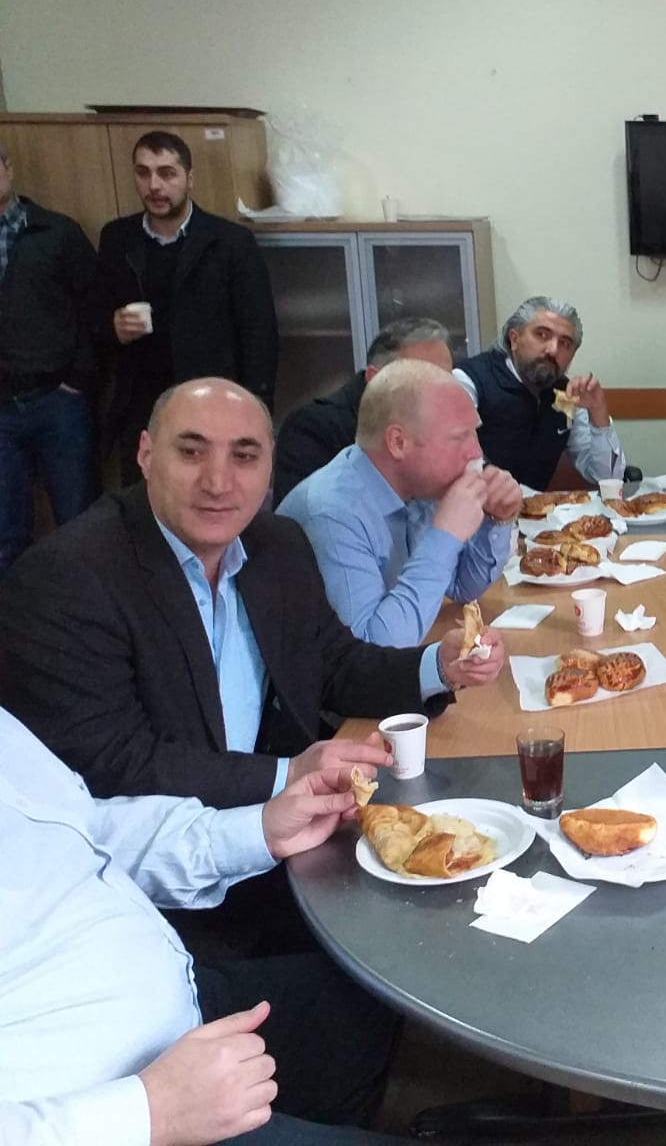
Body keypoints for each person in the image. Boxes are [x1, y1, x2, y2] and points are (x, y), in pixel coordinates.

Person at [0, 378, 504, 810]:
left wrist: (439, 666)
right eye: (191, 452)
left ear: (269, 468)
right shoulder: (66, 579)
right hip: (150, 868)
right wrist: (287, 774)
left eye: (244, 456)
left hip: (274, 824)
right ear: (146, 455)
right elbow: (114, 765)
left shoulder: (274, 544)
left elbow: (333, 664)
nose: (218, 481)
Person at [0, 703, 407, 1144]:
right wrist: (149, 1114)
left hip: (185, 1004)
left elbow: (87, 827)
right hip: (110, 1112)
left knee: (376, 990)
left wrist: (257, 829)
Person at [278, 360, 522, 648]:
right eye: (460, 437)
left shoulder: (421, 486)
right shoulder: (332, 514)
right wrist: (446, 534)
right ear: (398, 442)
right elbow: (371, 651)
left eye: (474, 433)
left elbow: (462, 588)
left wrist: (497, 518)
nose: (476, 452)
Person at [95, 131, 278, 483]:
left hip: (212, 402)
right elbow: (93, 314)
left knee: (210, 495)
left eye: (167, 173)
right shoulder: (117, 238)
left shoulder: (230, 242)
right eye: (144, 173)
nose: (154, 185)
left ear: (189, 179)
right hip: (142, 406)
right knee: (143, 501)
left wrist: (257, 412)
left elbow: (259, 333)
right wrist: (112, 327)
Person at [0, 138, 99, 580]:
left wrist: (78, 377)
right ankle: (15, 619)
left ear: (8, 168)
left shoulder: (56, 233)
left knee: (80, 525)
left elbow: (94, 308)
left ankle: (90, 615)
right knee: (5, 533)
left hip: (57, 401)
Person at [272, 317, 455, 504]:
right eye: (423, 380)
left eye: (447, 380)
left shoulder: (445, 419)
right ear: (376, 378)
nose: (441, 394)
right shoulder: (312, 427)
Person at [453, 295, 625, 489]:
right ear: (514, 339)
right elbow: (453, 456)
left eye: (565, 343)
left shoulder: (566, 394)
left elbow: (608, 477)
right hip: (476, 504)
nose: (553, 350)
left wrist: (598, 412)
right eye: (542, 335)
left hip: (537, 508)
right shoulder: (470, 380)